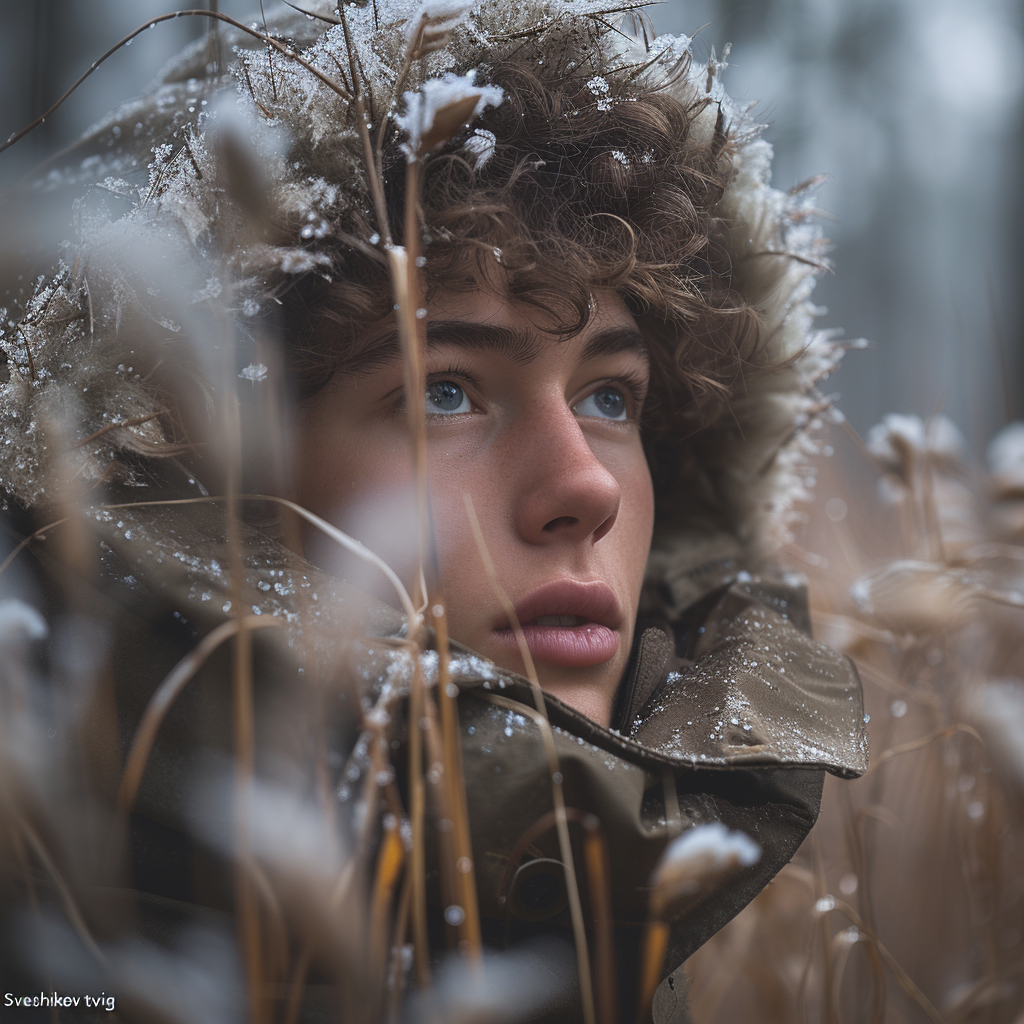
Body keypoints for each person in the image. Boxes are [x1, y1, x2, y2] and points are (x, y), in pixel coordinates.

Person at [0, 2, 867, 1021]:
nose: (584, 488)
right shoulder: (69, 936)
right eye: (444, 391)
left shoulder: (622, 906)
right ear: (197, 467)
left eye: (609, 397)